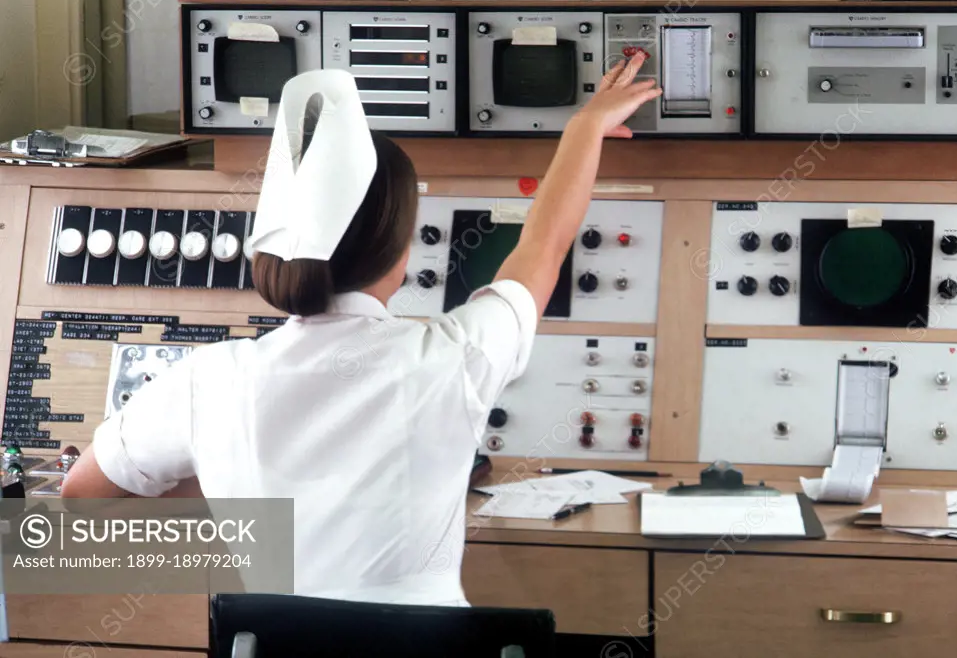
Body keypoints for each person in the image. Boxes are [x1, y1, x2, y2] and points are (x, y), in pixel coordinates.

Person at [62, 56, 661, 605]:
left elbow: (82, 499)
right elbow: (544, 247)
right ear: (400, 253)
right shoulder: (458, 356)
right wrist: (585, 128)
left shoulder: (208, 380)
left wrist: (237, 495)